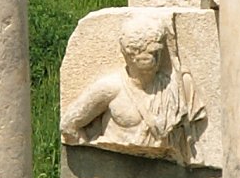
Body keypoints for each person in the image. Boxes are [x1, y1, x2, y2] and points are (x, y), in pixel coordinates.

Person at [60, 9, 203, 165]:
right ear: (131, 54)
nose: (156, 57)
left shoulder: (175, 87)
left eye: (158, 51)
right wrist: (92, 159)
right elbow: (69, 125)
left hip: (164, 168)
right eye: (150, 52)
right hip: (117, 171)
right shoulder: (111, 88)